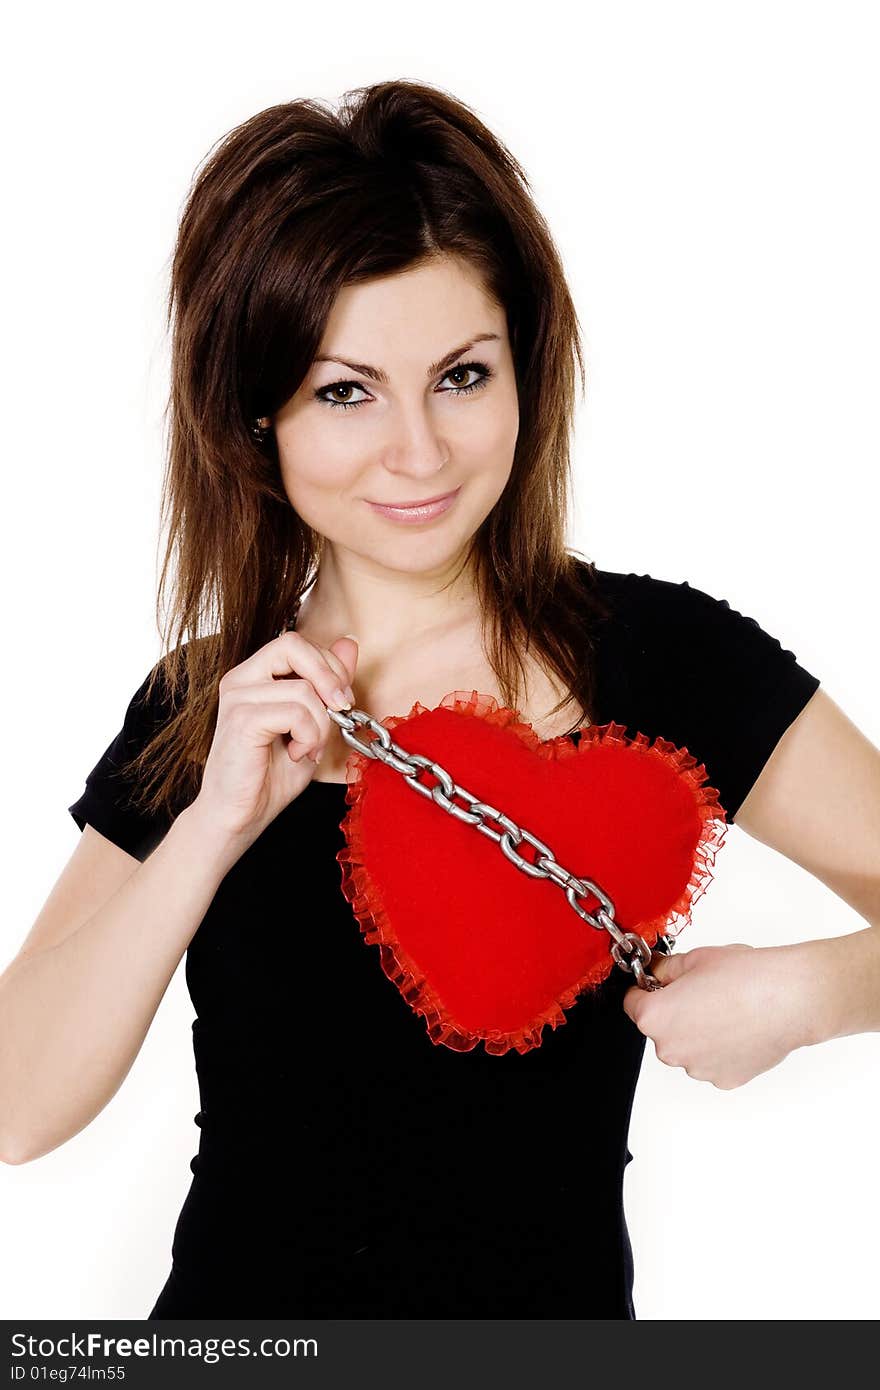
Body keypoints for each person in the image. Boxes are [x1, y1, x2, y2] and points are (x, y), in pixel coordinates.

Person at [2, 79, 878, 1321]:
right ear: (256, 421)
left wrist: (813, 995)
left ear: (524, 369)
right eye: (344, 390)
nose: (417, 452)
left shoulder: (667, 661)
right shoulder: (207, 707)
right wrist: (211, 825)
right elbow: (16, 1109)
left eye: (460, 376)